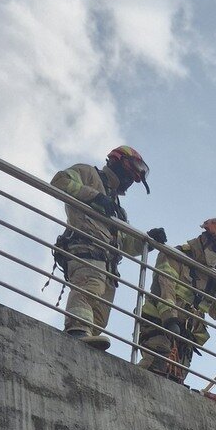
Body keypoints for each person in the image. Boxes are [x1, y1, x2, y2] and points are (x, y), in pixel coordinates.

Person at [50, 145, 161, 350]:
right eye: (131, 173)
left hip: (109, 267)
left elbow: (125, 244)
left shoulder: (119, 209)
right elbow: (59, 182)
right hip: (86, 248)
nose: (130, 181)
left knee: (100, 314)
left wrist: (148, 241)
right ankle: (76, 331)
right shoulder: (88, 173)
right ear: (117, 161)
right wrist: (93, 196)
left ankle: (87, 341)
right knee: (88, 288)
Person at [136, 218, 216, 384]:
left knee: (175, 380)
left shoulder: (214, 275)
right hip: (160, 323)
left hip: (186, 338)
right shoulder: (177, 255)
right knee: (154, 367)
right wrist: (170, 319)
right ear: (206, 239)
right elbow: (165, 288)